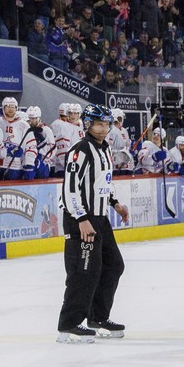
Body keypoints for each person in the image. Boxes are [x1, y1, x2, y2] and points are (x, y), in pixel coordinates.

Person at [57, 103, 129, 343]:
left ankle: (97, 317)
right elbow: (70, 189)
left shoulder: (105, 149)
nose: (103, 128)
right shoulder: (80, 151)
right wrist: (82, 220)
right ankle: (69, 324)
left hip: (100, 218)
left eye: (106, 124)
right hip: (81, 220)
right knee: (84, 272)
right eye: (99, 124)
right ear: (88, 124)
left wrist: (115, 203)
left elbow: (103, 182)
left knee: (113, 265)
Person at [0, 97, 37, 180]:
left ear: (16, 108)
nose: (10, 109)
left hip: (15, 167)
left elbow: (31, 146)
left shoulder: (24, 125)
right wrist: (7, 151)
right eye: (8, 106)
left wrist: (29, 164)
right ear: (3, 108)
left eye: (13, 107)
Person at [26, 106, 55, 178]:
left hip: (42, 163)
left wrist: (43, 158)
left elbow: (53, 148)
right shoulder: (27, 130)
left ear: (38, 118)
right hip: (30, 160)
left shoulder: (46, 130)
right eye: (29, 118)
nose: (31, 121)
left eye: (33, 118)